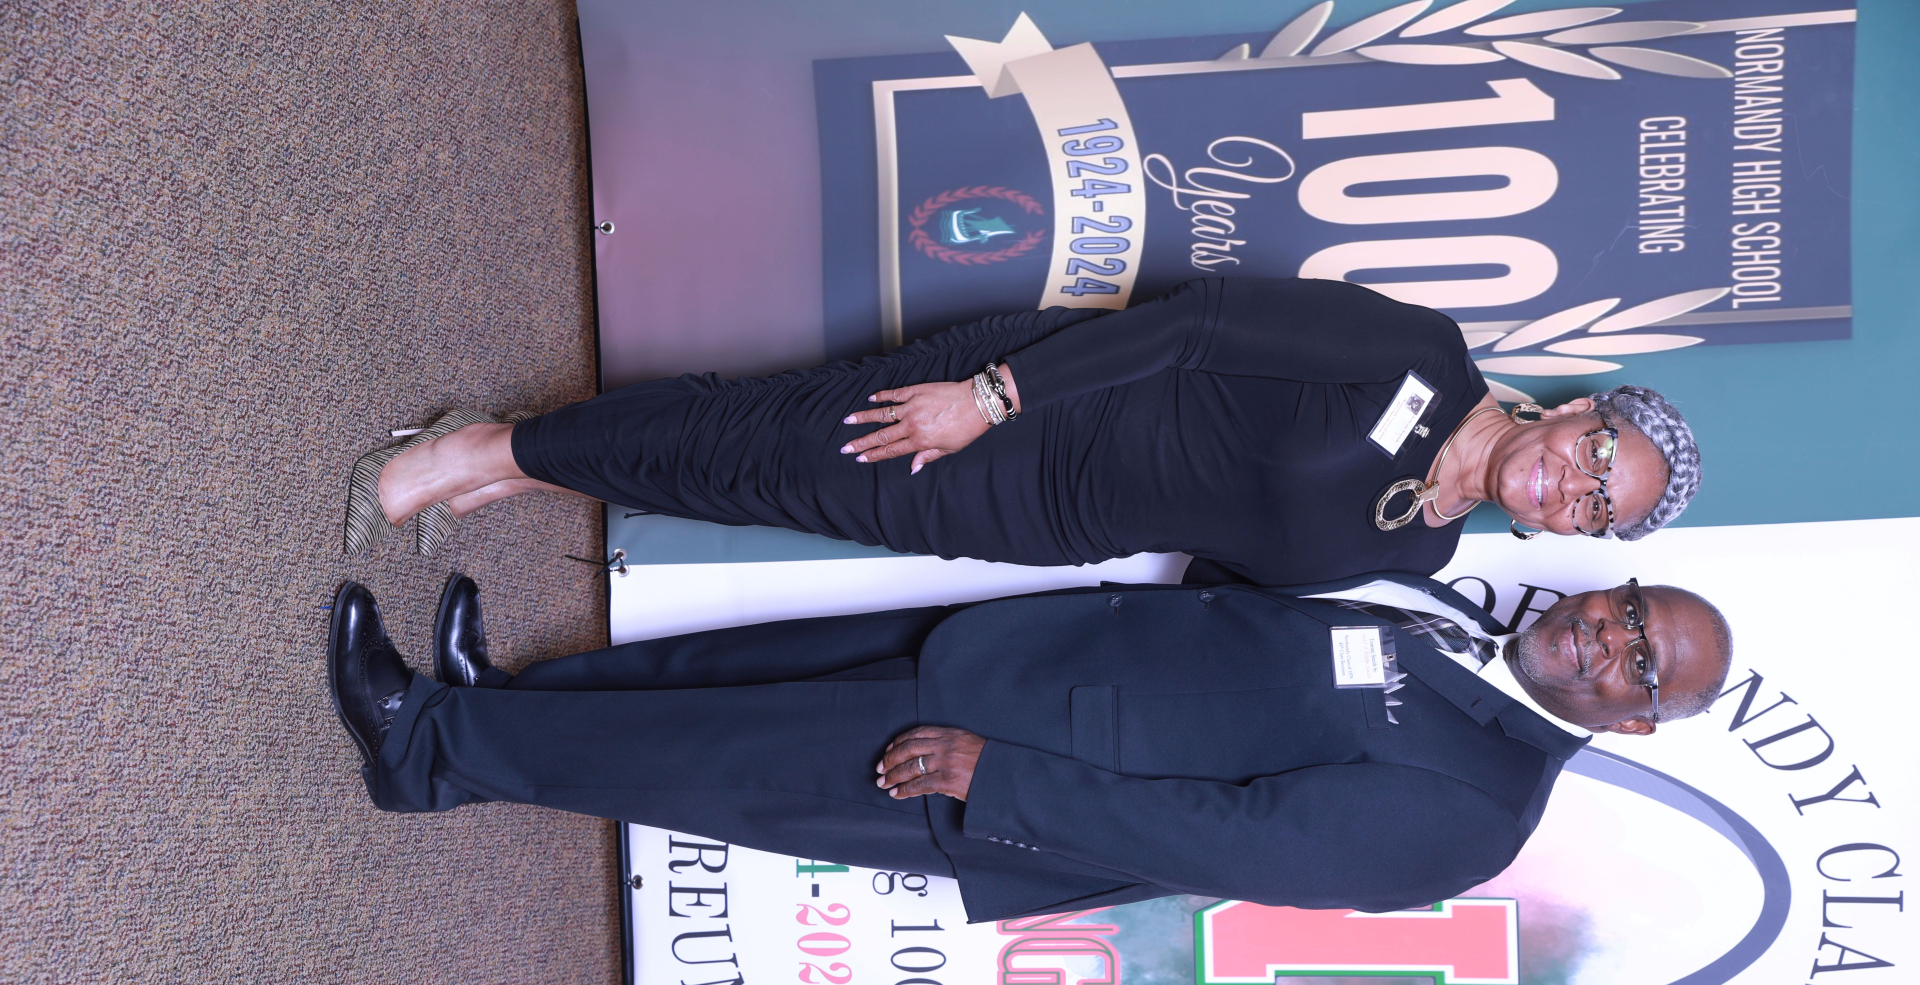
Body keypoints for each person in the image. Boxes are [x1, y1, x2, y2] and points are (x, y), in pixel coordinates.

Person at [329, 570, 1733, 924]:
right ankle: (501, 696)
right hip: (1022, 659)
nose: (1607, 637)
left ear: (1637, 719)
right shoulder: (1458, 636)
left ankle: (430, 748)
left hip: (992, 755)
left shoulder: (1477, 810)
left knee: (716, 756)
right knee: (722, 677)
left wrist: (1003, 777)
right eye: (1627, 611)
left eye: (1639, 662)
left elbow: (1231, 844)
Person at [345, 278, 1702, 581]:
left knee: (771, 478)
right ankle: (482, 452)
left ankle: (530, 458)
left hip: (1046, 523)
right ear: (1581, 407)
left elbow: (1222, 569)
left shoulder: (1420, 557)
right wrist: (988, 396)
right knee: (765, 439)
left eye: (1600, 508)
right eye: (1598, 457)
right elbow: (1198, 325)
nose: (1573, 487)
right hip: (1033, 400)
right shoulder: (1419, 355)